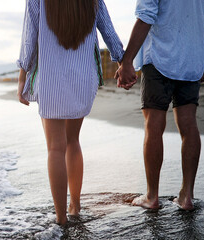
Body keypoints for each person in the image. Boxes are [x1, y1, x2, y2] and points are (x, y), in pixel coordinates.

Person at [17, 0, 124, 225]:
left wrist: (22, 76)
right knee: (73, 141)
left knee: (55, 148)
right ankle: (75, 206)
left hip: (50, 78)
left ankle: (61, 217)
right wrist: (123, 61)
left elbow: (29, 38)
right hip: (82, 78)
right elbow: (108, 31)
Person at [116, 0, 204, 210]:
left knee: (153, 125)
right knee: (188, 124)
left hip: (160, 57)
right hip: (191, 59)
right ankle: (186, 197)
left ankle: (151, 196)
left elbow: (145, 16)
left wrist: (127, 60)